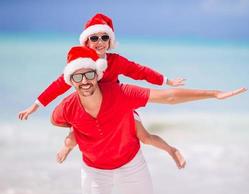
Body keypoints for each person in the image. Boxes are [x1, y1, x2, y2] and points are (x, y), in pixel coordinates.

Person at [51, 46, 246, 194]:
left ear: (98, 75)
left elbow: (169, 97)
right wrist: (69, 143)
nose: (84, 81)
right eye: (78, 76)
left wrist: (213, 94)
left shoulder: (122, 94)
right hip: (94, 170)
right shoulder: (66, 108)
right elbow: (64, 122)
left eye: (89, 74)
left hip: (130, 163)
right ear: (71, 80)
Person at [18, 13, 187, 168]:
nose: (99, 41)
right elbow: (58, 85)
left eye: (104, 37)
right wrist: (35, 106)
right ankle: (68, 148)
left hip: (117, 106)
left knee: (145, 137)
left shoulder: (116, 61)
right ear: (87, 42)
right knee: (70, 141)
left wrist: (166, 80)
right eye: (94, 38)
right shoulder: (80, 64)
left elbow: (139, 71)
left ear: (109, 42)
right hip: (87, 109)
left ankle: (172, 150)